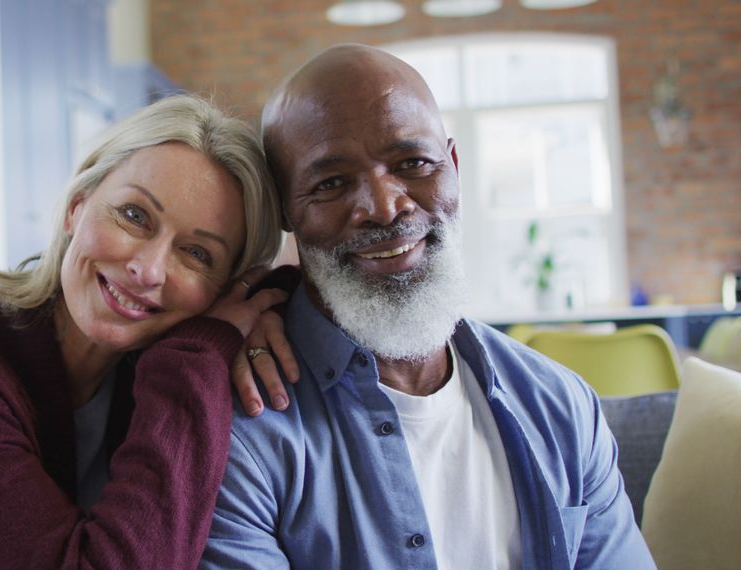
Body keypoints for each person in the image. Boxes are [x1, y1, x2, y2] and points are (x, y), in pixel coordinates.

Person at [201, 44, 655, 569]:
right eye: (330, 183)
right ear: (286, 208)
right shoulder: (241, 431)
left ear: (454, 167)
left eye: (413, 162)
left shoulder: (562, 406)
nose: (384, 206)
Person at [0, 94, 292, 569]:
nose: (149, 270)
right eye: (134, 216)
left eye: (197, 254)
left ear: (223, 291)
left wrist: (269, 310)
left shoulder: (140, 363)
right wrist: (201, 352)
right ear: (76, 206)